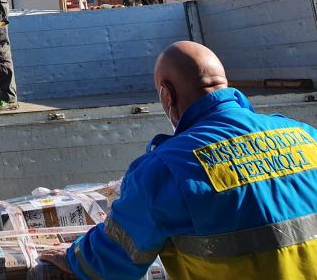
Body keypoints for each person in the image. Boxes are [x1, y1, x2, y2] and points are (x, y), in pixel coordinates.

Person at [40, 41, 317, 279]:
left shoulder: (163, 169)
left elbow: (111, 262)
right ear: (223, 83)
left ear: (167, 93)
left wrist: (73, 258)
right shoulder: (305, 135)